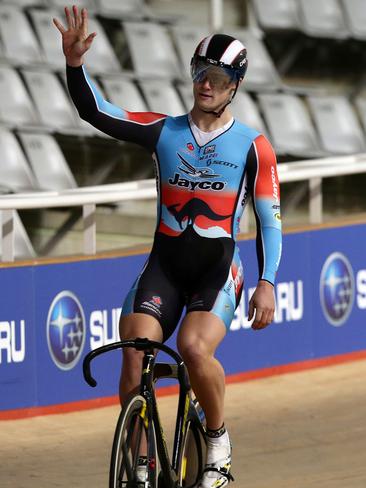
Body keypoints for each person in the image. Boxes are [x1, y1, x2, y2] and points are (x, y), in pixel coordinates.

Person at [54, 6, 282, 488]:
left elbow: (268, 220)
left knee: (193, 349)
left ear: (235, 85)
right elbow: (97, 111)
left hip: (216, 270)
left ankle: (218, 442)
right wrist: (75, 67)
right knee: (136, 352)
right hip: (164, 266)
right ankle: (139, 464)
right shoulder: (165, 131)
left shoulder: (253, 146)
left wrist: (266, 282)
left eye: (217, 77)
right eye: (200, 72)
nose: (206, 84)